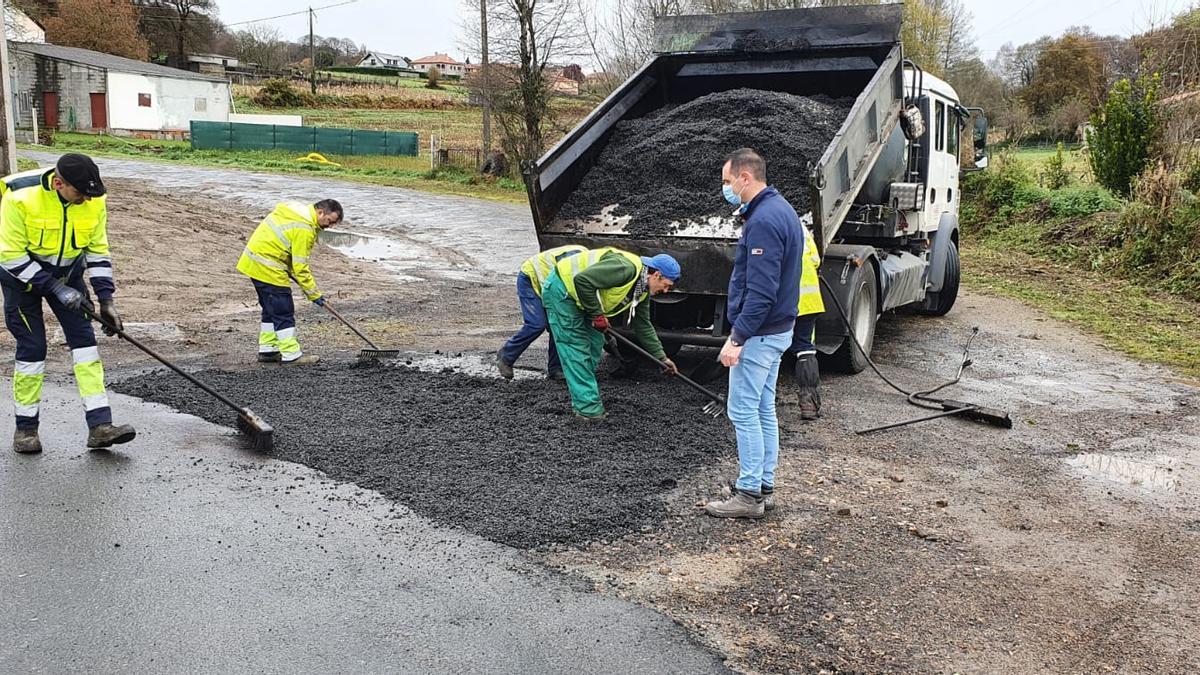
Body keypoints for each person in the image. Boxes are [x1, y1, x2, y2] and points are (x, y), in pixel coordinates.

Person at [0, 153, 136, 453]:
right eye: (80, 193)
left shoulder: (91, 200)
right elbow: (10, 256)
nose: (86, 200)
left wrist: (106, 299)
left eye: (91, 194)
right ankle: (25, 430)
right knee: (32, 350)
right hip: (21, 280)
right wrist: (56, 290)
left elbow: (97, 250)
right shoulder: (19, 196)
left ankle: (100, 426)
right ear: (59, 183)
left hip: (68, 275)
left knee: (86, 345)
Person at [706, 148, 802, 519]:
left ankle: (748, 495)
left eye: (728, 182)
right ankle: (764, 485)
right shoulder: (782, 209)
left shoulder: (763, 221)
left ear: (746, 178)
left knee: (743, 411)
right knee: (763, 409)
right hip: (778, 330)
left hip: (761, 333)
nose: (726, 189)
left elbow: (762, 292)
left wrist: (737, 338)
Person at [542, 247, 680, 420]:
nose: (665, 291)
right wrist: (597, 315)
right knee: (576, 349)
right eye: (666, 286)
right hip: (562, 290)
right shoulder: (625, 269)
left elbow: (643, 325)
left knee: (594, 345)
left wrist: (661, 358)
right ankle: (588, 410)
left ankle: (581, 390)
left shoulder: (642, 291)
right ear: (656, 275)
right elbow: (582, 280)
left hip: (583, 297)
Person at [237, 199, 343, 365]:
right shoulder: (304, 228)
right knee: (283, 310)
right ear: (320, 212)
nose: (329, 226)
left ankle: (268, 350)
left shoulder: (295, 210)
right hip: (268, 266)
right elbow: (300, 267)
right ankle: (291, 354)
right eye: (329, 221)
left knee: (270, 308)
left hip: (254, 262)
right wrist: (314, 294)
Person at [497, 244, 586, 380]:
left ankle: (556, 369)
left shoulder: (585, 263)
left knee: (558, 326)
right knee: (536, 324)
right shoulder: (574, 266)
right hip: (530, 278)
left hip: (549, 284)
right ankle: (506, 355)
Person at [793, 224, 825, 420]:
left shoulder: (766, 220)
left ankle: (762, 403)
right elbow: (815, 260)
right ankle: (809, 404)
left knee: (771, 347)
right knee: (804, 348)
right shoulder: (801, 227)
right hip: (809, 300)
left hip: (784, 301)